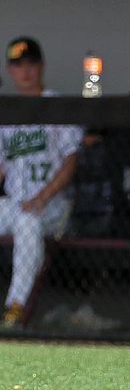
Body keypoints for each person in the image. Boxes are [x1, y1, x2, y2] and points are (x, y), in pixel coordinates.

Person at [0, 38, 84, 329]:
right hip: (15, 202)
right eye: (18, 65)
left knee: (27, 223)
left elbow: (70, 162)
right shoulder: (6, 112)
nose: (25, 71)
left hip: (53, 206)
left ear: (42, 67)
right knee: (22, 217)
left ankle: (15, 308)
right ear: (10, 71)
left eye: (30, 64)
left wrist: (42, 197)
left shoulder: (56, 106)